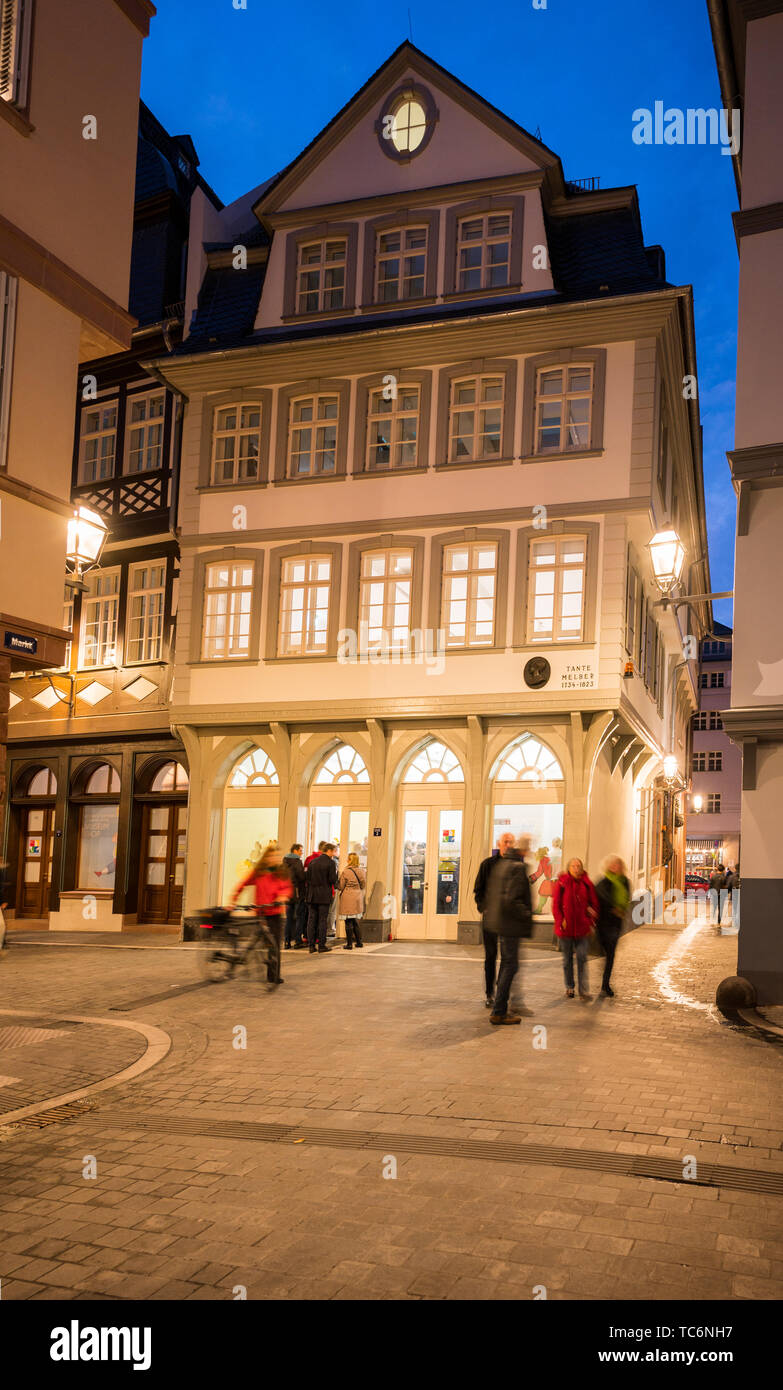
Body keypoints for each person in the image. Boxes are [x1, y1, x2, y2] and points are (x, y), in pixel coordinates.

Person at [482, 835, 533, 1024]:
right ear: (524, 850)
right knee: (510, 965)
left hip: (502, 923)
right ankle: (499, 1011)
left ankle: (499, 1008)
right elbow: (512, 899)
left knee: (507, 965)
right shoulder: (517, 867)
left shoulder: (503, 865)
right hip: (511, 924)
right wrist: (527, 914)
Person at [229, 843, 292, 983]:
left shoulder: (282, 872)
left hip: (275, 912)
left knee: (275, 944)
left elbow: (287, 888)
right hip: (261, 912)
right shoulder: (258, 872)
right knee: (257, 940)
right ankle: (245, 959)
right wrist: (233, 899)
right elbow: (243, 883)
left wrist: (282, 896)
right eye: (272, 856)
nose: (275, 858)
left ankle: (273, 975)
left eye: (277, 856)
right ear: (266, 857)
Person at [474, 832, 516, 1008]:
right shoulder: (487, 865)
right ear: (499, 844)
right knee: (491, 956)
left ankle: (502, 990)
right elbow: (478, 890)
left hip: (508, 920)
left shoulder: (516, 866)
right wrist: (484, 907)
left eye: (511, 842)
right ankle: (489, 993)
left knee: (508, 958)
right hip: (491, 919)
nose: (508, 845)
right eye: (506, 842)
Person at [552, 857, 599, 1001]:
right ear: (569, 868)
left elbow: (594, 905)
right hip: (565, 929)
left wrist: (590, 920)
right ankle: (570, 987)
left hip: (582, 929)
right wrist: (561, 921)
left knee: (582, 959)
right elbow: (556, 906)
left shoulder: (587, 884)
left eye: (578, 866)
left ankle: (583, 991)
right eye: (573, 866)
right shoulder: (562, 883)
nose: (576, 868)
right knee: (567, 960)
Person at [594, 855, 630, 997]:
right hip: (603, 923)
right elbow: (602, 898)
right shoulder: (603, 882)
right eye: (613, 864)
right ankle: (605, 978)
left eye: (618, 864)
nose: (616, 867)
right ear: (608, 866)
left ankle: (605, 984)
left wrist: (622, 908)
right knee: (605, 951)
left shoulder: (625, 881)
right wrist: (614, 907)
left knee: (610, 955)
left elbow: (627, 896)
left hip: (616, 923)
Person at [305, 843, 338, 953]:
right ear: (329, 851)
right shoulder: (331, 863)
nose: (334, 853)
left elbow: (307, 878)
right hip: (324, 895)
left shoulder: (312, 862)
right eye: (334, 851)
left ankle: (311, 945)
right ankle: (321, 945)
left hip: (312, 894)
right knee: (322, 920)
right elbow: (332, 879)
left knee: (311, 920)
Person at [338, 852, 366, 949]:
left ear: (350, 860)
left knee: (348, 921)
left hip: (348, 897)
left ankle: (349, 944)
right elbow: (363, 885)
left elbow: (341, 886)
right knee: (355, 921)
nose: (346, 860)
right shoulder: (362, 871)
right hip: (357, 897)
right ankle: (359, 942)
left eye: (348, 859)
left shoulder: (346, 872)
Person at [283, 843, 306, 949]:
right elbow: (301, 877)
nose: (302, 852)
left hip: (286, 893)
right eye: (300, 850)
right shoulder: (297, 861)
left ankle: (286, 941)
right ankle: (297, 940)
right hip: (297, 892)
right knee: (299, 917)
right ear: (295, 851)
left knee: (289, 918)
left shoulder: (284, 861)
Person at [529, 845, 553, 914]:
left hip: (550, 880)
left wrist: (531, 879)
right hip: (552, 880)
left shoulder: (544, 860)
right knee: (545, 895)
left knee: (543, 894)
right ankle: (539, 909)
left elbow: (539, 872)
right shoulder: (547, 859)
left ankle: (539, 909)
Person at [709, 863, 726, 928]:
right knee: (720, 909)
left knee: (714, 907)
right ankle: (718, 922)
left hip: (714, 894)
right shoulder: (724, 877)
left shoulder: (713, 876)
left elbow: (710, 886)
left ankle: (712, 920)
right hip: (722, 895)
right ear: (723, 870)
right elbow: (725, 886)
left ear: (717, 869)